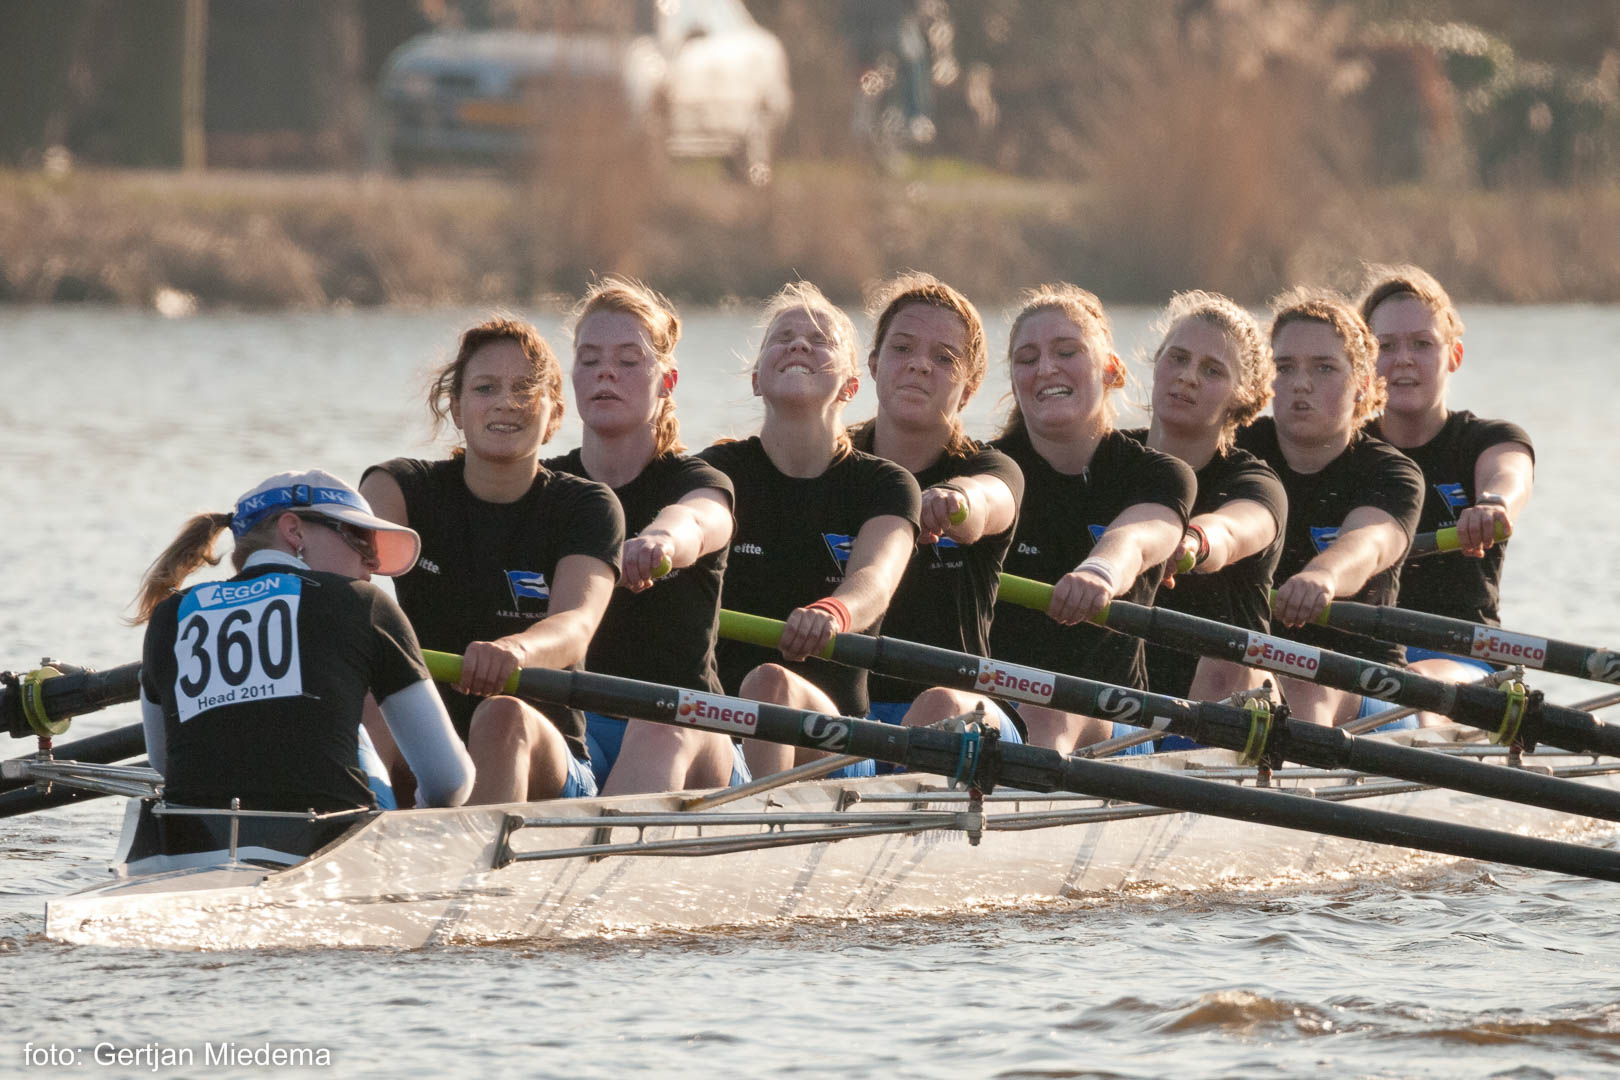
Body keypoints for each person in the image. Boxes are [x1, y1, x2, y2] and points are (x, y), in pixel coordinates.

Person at [134, 469, 474, 860]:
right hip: (328, 854)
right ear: (294, 531)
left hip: (188, 852)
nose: (373, 561)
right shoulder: (362, 603)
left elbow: (165, 762)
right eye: (358, 538)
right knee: (354, 732)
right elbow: (449, 781)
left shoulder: (170, 615)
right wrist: (415, 829)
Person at [362, 317, 624, 804]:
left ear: (555, 414)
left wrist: (516, 651)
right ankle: (334, 834)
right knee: (371, 698)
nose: (506, 402)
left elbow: (576, 624)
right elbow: (341, 576)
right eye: (486, 388)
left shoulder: (588, 505)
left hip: (546, 758)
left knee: (502, 714)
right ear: (457, 409)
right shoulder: (397, 487)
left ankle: (469, 854)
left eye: (525, 388)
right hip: (428, 749)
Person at [699, 282, 921, 777]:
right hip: (720, 734)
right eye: (783, 338)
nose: (798, 344)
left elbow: (874, 580)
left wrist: (833, 613)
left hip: (838, 738)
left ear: (850, 387)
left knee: (771, 684)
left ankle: (751, 820)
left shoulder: (886, 485)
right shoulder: (712, 474)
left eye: (820, 341)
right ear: (756, 380)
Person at [544, 277, 743, 794]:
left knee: (659, 724)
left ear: (667, 381)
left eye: (629, 360)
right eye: (589, 359)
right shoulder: (545, 488)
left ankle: (604, 845)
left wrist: (661, 542)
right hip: (581, 732)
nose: (605, 371)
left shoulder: (698, 482)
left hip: (689, 730)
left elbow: (697, 521)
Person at [991, 284, 1196, 754]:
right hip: (999, 714)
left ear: (1112, 370)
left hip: (1120, 719)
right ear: (1015, 382)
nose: (1045, 368)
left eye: (1067, 352)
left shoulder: (1160, 474)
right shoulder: (987, 471)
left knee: (1048, 708)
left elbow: (1138, 537)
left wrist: (1100, 572)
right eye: (1027, 359)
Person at [848, 273, 1025, 742]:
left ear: (970, 388)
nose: (919, 365)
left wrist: (958, 502)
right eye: (902, 348)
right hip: (849, 715)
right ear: (874, 364)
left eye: (944, 358)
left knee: (939, 703)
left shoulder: (990, 467)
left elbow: (989, 500)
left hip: (964, 711)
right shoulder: (832, 465)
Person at [1236, 288, 1424, 727]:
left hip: (1369, 684)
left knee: (1302, 683)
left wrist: (1324, 575)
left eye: (1323, 368)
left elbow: (1369, 544)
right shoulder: (1238, 452)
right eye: (1284, 367)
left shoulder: (1392, 473)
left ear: (1363, 385)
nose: (1300, 383)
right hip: (1258, 673)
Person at [1361, 265, 1535, 695]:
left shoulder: (1489, 440)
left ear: (1454, 356)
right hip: (1360, 655)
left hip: (1463, 656)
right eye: (1386, 346)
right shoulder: (1344, 451)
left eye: (1422, 344)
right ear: (1363, 362)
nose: (1403, 359)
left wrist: (1493, 504)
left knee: (1409, 684)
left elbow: (1509, 475)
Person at [1131, 291, 1286, 705]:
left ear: (1244, 394)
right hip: (1117, 707)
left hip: (1222, 706)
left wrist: (1191, 542)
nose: (1188, 377)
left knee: (1224, 667)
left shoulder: (1254, 484)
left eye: (1212, 370)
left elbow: (1230, 532)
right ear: (1157, 362)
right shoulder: (1105, 460)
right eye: (1178, 358)